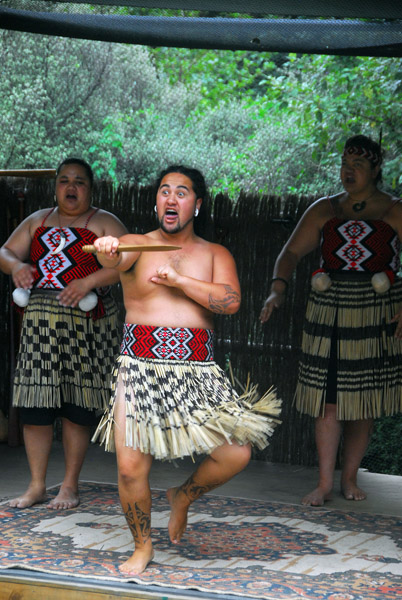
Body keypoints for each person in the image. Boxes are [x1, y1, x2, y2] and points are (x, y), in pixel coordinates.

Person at [93, 165, 281, 575]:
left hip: (197, 371)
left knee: (236, 452)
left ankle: (183, 495)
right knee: (129, 468)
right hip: (139, 367)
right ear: (156, 201)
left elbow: (230, 301)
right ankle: (143, 546)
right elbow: (114, 251)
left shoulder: (215, 254)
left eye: (181, 192)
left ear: (197, 203)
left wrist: (178, 280)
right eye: (164, 191)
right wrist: (109, 247)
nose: (171, 198)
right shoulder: (136, 245)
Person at [260, 134, 402, 506]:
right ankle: (325, 482)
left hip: (375, 314)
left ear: (375, 169)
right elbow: (290, 252)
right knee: (330, 401)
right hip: (330, 313)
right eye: (344, 163)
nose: (348, 170)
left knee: (363, 403)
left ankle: (349, 478)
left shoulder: (394, 209)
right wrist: (278, 287)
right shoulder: (325, 208)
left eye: (357, 165)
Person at [0, 158, 127, 510]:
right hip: (40, 326)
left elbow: (128, 262)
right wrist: (17, 267)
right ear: (55, 186)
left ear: (91, 188)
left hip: (86, 327)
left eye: (80, 182)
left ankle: (69, 485)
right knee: (35, 406)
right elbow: (5, 251)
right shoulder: (37, 220)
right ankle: (37, 485)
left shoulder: (104, 222)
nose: (71, 188)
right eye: (64, 181)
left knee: (77, 405)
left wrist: (88, 281)